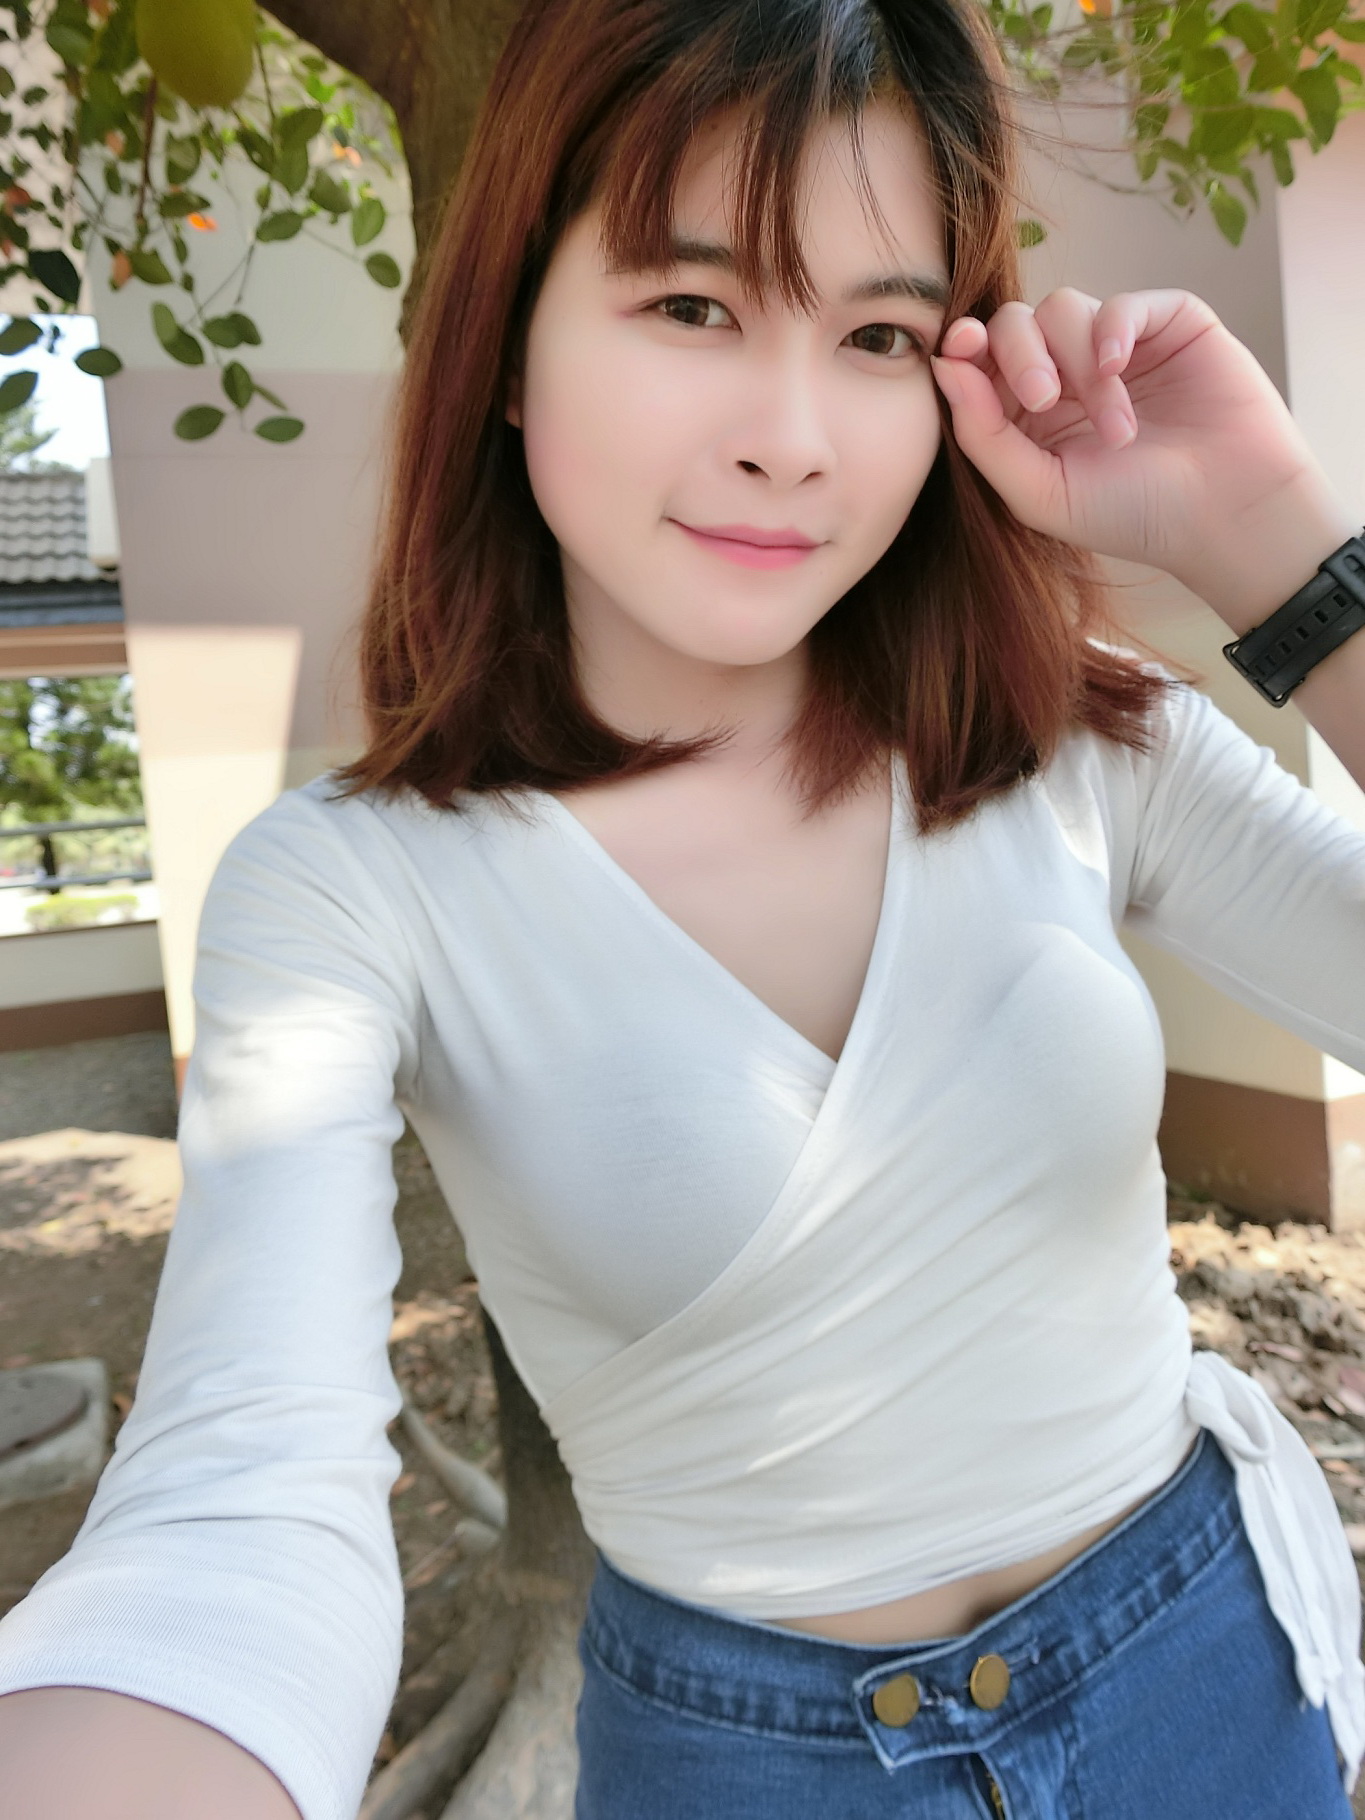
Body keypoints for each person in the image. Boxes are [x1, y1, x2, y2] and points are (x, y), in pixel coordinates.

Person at [2, 0, 1363, 1814]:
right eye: (692, 306)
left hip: (1205, 1672)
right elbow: (241, 1494)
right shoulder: (354, 887)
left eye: (876, 335)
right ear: (508, 343)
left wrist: (1274, 543)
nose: (792, 440)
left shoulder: (1070, 744)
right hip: (751, 1763)